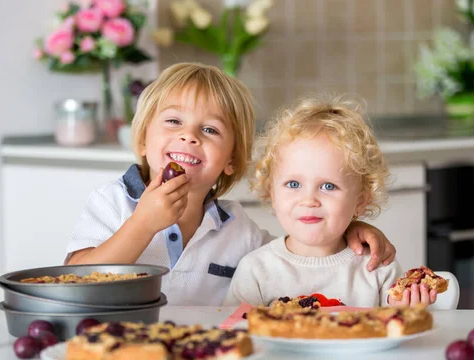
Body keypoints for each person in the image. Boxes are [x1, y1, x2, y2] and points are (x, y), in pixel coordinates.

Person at [65, 63, 396, 305]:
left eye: (209, 130)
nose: (188, 136)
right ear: (142, 141)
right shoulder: (112, 202)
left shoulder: (239, 229)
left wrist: (351, 227)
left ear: (231, 161)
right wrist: (142, 224)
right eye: (173, 121)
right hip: (115, 356)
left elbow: (300, 246)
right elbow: (74, 282)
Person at [224, 94, 438, 307]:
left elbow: (395, 327)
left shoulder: (377, 267)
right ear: (271, 192)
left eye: (328, 186)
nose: (309, 200)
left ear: (360, 201)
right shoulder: (256, 270)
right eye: (293, 184)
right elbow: (235, 333)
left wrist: (407, 308)